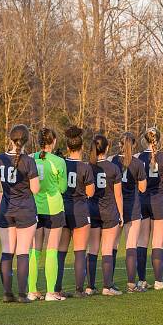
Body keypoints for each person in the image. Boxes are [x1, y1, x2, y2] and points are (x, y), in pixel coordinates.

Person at [0, 125, 40, 303]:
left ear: (10, 139)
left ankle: (7, 293)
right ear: (27, 140)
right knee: (22, 252)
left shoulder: (0, 158)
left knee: (7, 252)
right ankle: (22, 294)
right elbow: (35, 189)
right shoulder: (28, 161)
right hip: (25, 209)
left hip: (6, 209)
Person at [28, 128, 67, 302]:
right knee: (51, 250)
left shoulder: (31, 158)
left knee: (35, 251)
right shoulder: (58, 161)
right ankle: (51, 292)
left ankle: (32, 290)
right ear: (54, 141)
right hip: (54, 209)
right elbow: (63, 187)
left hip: (35, 208)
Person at [56, 126, 95, 298]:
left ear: (67, 148)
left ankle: (56, 288)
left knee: (61, 252)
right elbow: (90, 192)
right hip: (80, 211)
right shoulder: (85, 167)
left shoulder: (61, 164)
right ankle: (79, 289)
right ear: (81, 147)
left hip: (63, 210)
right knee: (80, 251)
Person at [137, 127, 163, 290]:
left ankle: (141, 280)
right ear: (158, 140)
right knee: (157, 242)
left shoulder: (138, 158)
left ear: (144, 140)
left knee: (142, 241)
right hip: (159, 201)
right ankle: (159, 281)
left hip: (142, 201)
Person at [86, 135, 124, 296]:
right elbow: (118, 195)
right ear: (107, 148)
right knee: (107, 249)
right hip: (109, 211)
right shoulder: (113, 167)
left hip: (92, 210)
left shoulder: (89, 166)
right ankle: (107, 286)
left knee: (92, 248)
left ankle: (90, 286)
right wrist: (121, 214)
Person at [111, 132, 147, 293]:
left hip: (114, 207)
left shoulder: (112, 160)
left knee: (112, 246)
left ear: (119, 144)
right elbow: (142, 188)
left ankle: (108, 282)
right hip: (132, 206)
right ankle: (132, 284)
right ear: (133, 145)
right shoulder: (137, 163)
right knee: (131, 245)